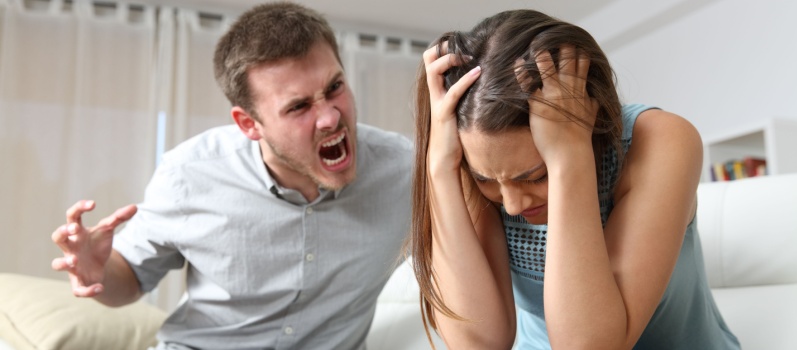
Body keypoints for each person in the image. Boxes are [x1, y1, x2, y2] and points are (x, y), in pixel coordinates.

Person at [50, 2, 412, 349]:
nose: (330, 117)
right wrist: (97, 274)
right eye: (299, 106)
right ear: (249, 124)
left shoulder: (404, 172)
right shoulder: (190, 174)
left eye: (334, 87)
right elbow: (128, 281)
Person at [409, 9, 740, 349]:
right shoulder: (482, 164)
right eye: (485, 179)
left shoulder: (661, 141)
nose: (511, 204)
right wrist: (440, 167)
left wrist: (569, 157)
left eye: (535, 176)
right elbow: (480, 345)